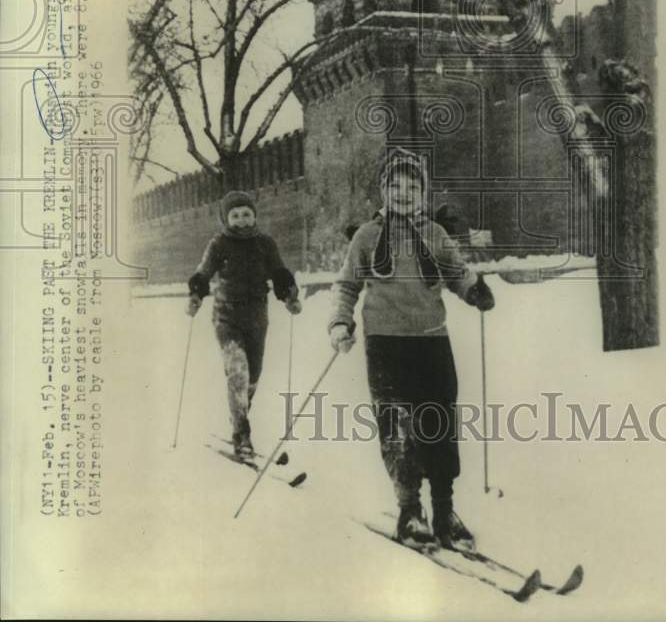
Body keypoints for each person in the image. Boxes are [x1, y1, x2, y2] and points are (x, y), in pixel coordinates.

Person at [328, 148, 495, 551]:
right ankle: (410, 511)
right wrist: (339, 322)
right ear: (384, 190)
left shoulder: (435, 234)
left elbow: (455, 271)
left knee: (438, 425)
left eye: (412, 186)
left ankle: (444, 510)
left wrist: (474, 289)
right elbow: (348, 284)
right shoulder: (368, 237)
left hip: (432, 340)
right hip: (385, 343)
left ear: (423, 192)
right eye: (395, 186)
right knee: (398, 430)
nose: (403, 193)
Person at [187, 190, 301, 458]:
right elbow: (203, 273)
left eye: (247, 214)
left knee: (253, 376)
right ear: (226, 219)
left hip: (257, 316)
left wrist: (289, 296)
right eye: (235, 215)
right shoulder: (219, 243)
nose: (242, 220)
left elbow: (279, 273)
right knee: (238, 370)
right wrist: (195, 296)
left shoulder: (265, 243)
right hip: (226, 316)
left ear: (255, 216)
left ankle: (237, 415)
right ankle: (242, 434)